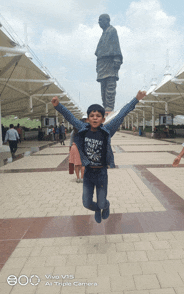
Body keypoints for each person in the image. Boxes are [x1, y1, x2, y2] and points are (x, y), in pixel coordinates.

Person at [51, 90, 146, 223]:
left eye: (98, 116)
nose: (95, 118)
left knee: (102, 203)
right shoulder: (83, 128)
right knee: (86, 203)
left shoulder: (108, 129)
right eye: (92, 115)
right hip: (89, 172)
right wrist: (58, 106)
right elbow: (70, 117)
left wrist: (136, 99)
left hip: (101, 172)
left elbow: (122, 113)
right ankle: (96, 209)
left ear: (103, 119)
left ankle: (105, 206)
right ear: (88, 118)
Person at [95, 14, 123, 111]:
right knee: (103, 88)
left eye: (100, 20)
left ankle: (109, 107)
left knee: (110, 86)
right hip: (102, 64)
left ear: (107, 20)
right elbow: (98, 52)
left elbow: (116, 46)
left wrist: (117, 59)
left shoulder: (112, 31)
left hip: (110, 62)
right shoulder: (103, 34)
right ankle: (105, 106)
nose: (99, 22)